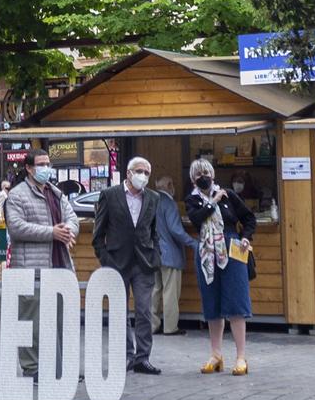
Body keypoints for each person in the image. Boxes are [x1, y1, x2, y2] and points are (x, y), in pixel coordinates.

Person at [3, 147, 77, 380]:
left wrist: (67, 230)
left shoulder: (55, 193)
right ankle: (32, 369)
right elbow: (16, 227)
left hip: (59, 267)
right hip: (30, 269)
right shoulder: (17, 195)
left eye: (48, 164)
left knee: (60, 320)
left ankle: (58, 367)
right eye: (41, 164)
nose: (46, 168)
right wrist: (52, 233)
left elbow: (72, 218)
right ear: (29, 168)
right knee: (31, 323)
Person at [91, 155, 162, 374]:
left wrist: (156, 256)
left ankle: (142, 358)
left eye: (147, 172)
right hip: (117, 263)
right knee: (119, 312)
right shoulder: (109, 195)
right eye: (139, 171)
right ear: (128, 173)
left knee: (144, 311)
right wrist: (106, 261)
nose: (143, 176)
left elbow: (154, 231)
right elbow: (98, 234)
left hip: (143, 263)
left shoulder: (153, 198)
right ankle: (126, 356)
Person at [185, 157, 254, 375]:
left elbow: (249, 218)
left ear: (213, 175)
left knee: (236, 302)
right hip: (206, 253)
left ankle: (241, 357)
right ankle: (216, 354)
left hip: (232, 249)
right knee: (212, 303)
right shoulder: (192, 200)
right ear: (193, 180)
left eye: (206, 173)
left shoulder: (230, 196)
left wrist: (246, 237)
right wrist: (213, 201)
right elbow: (197, 219)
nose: (203, 177)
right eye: (198, 175)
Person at [150, 175, 198, 336]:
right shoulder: (169, 203)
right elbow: (175, 230)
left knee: (155, 290)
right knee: (170, 291)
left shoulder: (151, 200)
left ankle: (152, 325)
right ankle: (170, 327)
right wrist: (193, 243)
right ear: (170, 186)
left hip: (153, 253)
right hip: (170, 254)